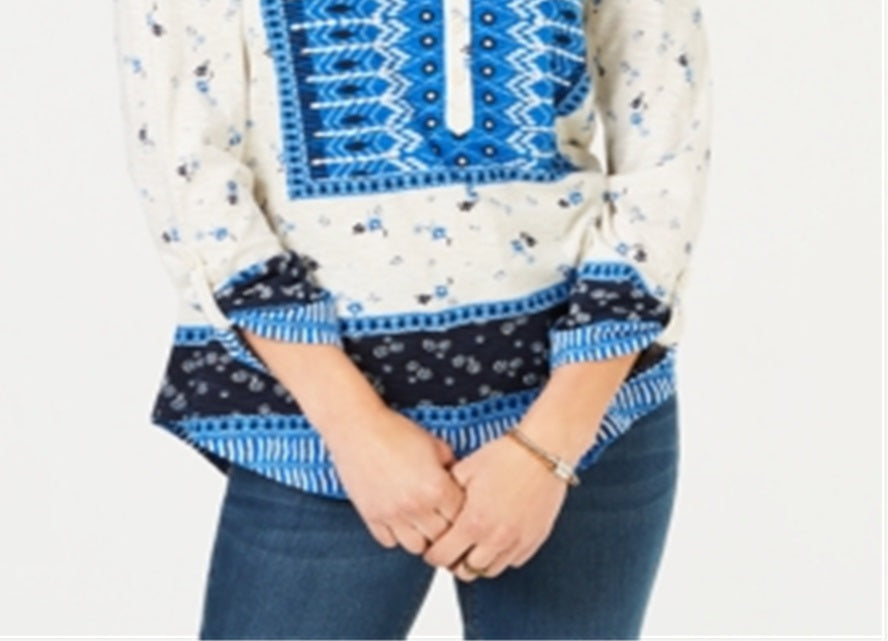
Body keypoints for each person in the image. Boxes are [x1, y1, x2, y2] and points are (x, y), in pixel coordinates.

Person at [112, 0, 713, 638]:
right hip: (317, 427)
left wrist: (550, 446)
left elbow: (666, 159)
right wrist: (354, 427)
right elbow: (186, 170)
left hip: (586, 414)